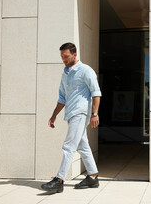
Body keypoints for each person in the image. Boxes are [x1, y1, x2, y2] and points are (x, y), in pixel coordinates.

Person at [41, 42, 101, 193]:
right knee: (82, 146)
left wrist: (95, 113)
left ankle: (59, 180)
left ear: (75, 54)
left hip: (81, 113)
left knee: (68, 147)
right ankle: (92, 177)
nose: (64, 59)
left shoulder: (86, 71)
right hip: (71, 113)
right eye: (62, 57)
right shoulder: (65, 73)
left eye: (66, 56)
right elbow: (62, 97)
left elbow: (96, 93)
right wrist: (54, 115)